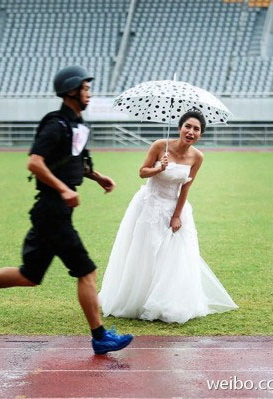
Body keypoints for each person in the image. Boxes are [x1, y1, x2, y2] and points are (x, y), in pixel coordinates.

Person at [0, 65, 133, 355]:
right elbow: (35, 162)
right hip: (53, 210)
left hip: (52, 211)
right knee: (87, 271)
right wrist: (63, 189)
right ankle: (100, 337)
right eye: (85, 88)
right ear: (72, 91)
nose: (89, 93)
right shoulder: (56, 124)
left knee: (29, 276)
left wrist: (97, 178)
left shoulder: (77, 125)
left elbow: (70, 161)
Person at [98, 110, 238, 324]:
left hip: (175, 207)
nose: (191, 132)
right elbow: (142, 172)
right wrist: (158, 168)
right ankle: (139, 299)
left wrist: (176, 215)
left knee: (175, 256)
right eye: (188, 127)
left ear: (201, 134)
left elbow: (186, 188)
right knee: (146, 251)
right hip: (150, 205)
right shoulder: (159, 146)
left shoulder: (197, 157)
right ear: (180, 127)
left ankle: (166, 302)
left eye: (196, 129)